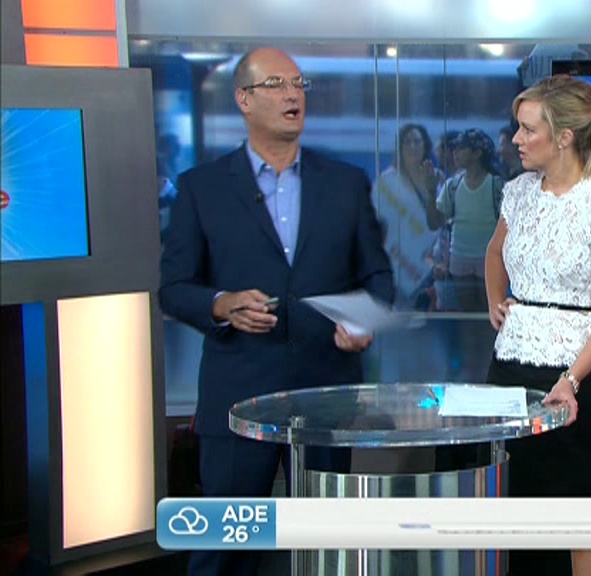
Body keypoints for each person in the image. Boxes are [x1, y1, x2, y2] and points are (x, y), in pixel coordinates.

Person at [159, 47, 394, 576]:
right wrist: (221, 304)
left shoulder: (345, 183)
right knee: (225, 550)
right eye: (276, 84)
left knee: (328, 547)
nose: (293, 95)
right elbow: (173, 288)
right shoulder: (202, 189)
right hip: (239, 393)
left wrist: (364, 320)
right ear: (244, 99)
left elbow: (378, 277)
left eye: (298, 84)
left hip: (327, 397)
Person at [484, 75, 591, 576]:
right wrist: (496, 302)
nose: (516, 139)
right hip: (512, 370)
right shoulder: (517, 193)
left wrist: (571, 380)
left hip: (580, 380)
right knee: (515, 508)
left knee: (582, 514)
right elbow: (494, 253)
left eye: (528, 129)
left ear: (565, 137)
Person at [371, 123, 446, 310]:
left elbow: (444, 221)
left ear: (425, 145)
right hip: (396, 265)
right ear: (400, 147)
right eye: (407, 142)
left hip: (432, 268)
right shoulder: (386, 182)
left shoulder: (437, 177)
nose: (412, 147)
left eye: (417, 142)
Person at [435, 128, 505, 312]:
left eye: (461, 148)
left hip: (490, 257)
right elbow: (435, 222)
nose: (455, 153)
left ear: (477, 153)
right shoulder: (452, 185)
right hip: (459, 257)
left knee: (490, 312)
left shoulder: (498, 186)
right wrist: (429, 191)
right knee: (467, 313)